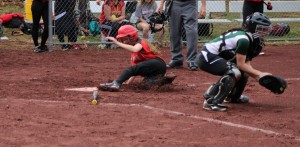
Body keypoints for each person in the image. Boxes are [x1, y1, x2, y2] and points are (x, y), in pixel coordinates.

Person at [196, 12, 272, 111]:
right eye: (262, 29)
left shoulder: (252, 40)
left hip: (213, 56)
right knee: (234, 72)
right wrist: (260, 74)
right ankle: (211, 101)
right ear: (253, 28)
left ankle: (233, 97)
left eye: (266, 29)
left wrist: (260, 77)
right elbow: (241, 64)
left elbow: (246, 65)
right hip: (206, 56)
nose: (265, 32)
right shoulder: (244, 40)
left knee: (244, 73)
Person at [98, 25, 176, 92]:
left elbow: (135, 50)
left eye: (124, 39)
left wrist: (117, 42)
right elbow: (134, 72)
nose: (123, 42)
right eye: (121, 40)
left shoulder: (140, 42)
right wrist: (127, 83)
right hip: (155, 72)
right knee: (146, 85)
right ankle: (165, 80)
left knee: (129, 69)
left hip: (157, 64)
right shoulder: (133, 54)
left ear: (131, 36)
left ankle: (116, 83)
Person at [156, 0, 206, 71]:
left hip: (190, 4)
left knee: (192, 31)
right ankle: (176, 58)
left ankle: (192, 60)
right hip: (174, 3)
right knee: (174, 32)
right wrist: (161, 4)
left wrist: (203, 6)